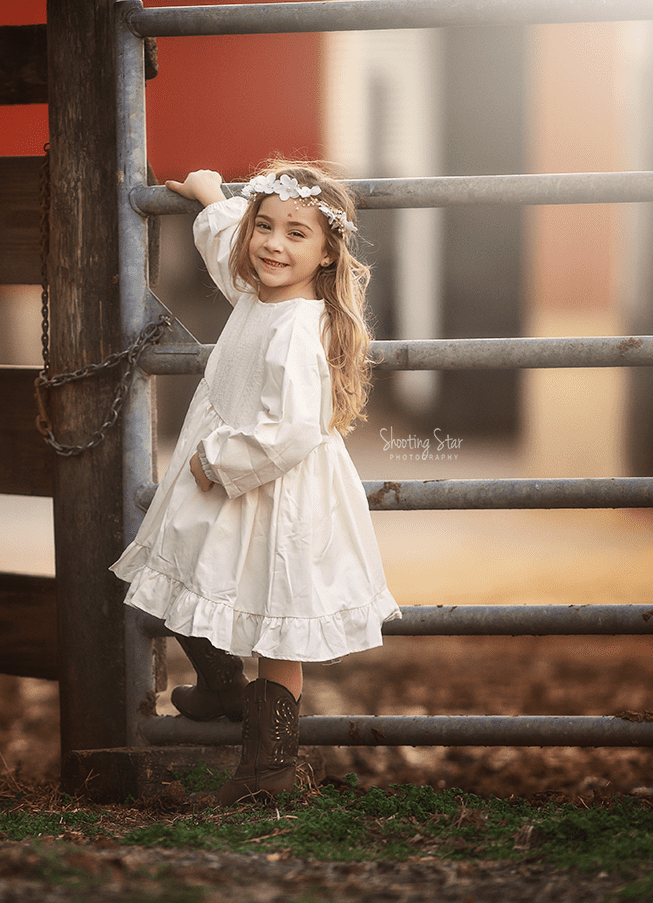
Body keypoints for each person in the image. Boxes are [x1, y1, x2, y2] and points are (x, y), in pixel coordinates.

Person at [111, 160, 401, 805]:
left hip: (275, 492)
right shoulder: (254, 290)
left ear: (327, 254)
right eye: (264, 226)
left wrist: (219, 461)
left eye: (297, 234)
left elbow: (294, 429)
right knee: (176, 569)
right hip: (230, 481)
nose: (274, 243)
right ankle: (222, 688)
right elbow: (225, 246)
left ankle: (267, 775)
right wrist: (211, 194)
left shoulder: (299, 327)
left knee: (276, 624)